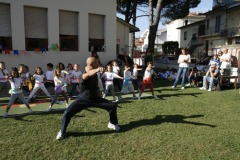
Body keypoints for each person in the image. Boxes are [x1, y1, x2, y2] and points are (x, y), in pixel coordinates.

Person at [56, 57, 120, 140]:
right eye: (97, 63)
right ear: (92, 64)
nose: (98, 64)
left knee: (112, 106)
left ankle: (112, 123)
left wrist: (98, 92)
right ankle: (62, 132)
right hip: (83, 99)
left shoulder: (95, 75)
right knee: (67, 113)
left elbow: (95, 85)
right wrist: (97, 70)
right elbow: (87, 75)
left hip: (95, 98)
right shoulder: (82, 74)